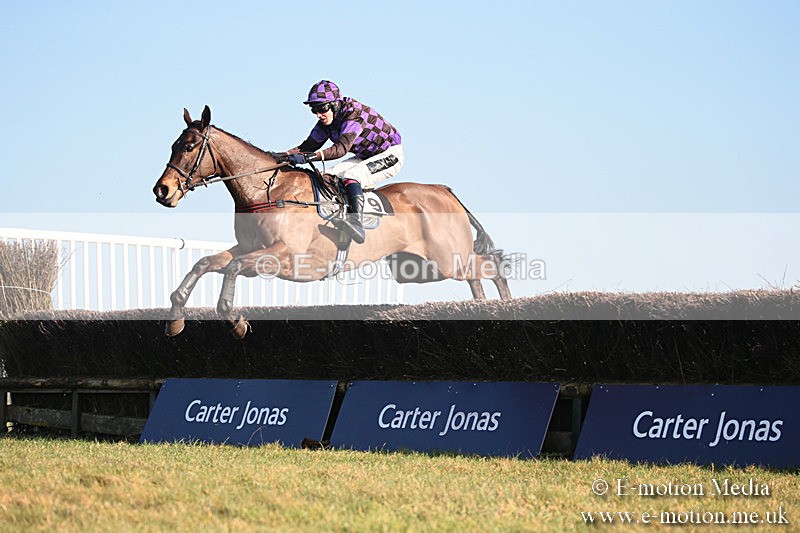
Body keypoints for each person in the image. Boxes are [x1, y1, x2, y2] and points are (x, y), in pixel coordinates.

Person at [283, 80, 403, 244]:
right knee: (328, 176)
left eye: (322, 108)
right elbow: (308, 146)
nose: (318, 114)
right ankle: (339, 217)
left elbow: (340, 149)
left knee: (351, 175)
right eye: (314, 109)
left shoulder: (353, 114)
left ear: (335, 104)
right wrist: (281, 156)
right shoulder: (327, 122)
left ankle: (356, 223)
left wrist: (308, 158)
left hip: (390, 154)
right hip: (366, 156)